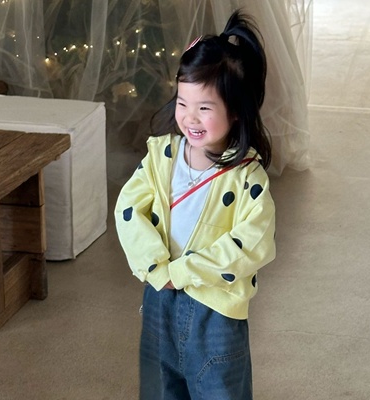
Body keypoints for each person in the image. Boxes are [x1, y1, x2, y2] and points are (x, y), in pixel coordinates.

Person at [115, 9, 276, 400]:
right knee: (162, 388)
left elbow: (252, 243)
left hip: (215, 312)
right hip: (160, 296)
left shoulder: (247, 177)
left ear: (234, 110)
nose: (190, 118)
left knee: (220, 390)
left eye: (204, 107)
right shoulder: (161, 157)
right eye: (182, 102)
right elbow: (128, 211)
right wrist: (157, 267)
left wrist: (182, 271)